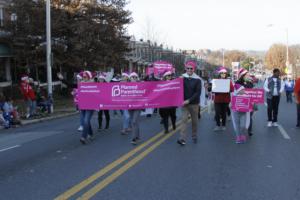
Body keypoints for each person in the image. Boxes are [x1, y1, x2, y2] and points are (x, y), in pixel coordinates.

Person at [177, 60, 201, 146]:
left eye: (191, 68)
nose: (189, 70)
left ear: (194, 69)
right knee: (183, 120)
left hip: (194, 103)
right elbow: (176, 88)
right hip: (184, 104)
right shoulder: (182, 77)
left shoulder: (197, 79)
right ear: (185, 68)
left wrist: (189, 100)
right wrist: (178, 81)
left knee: (194, 121)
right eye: (188, 68)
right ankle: (182, 138)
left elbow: (197, 93)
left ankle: (194, 135)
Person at [231, 68, 251, 144]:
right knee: (237, 122)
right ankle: (239, 136)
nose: (248, 76)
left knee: (245, 122)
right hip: (237, 107)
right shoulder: (237, 83)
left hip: (246, 106)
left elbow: (252, 93)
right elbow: (234, 94)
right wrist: (231, 102)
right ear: (242, 75)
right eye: (246, 75)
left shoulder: (249, 82)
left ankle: (244, 134)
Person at [213, 67, 234, 131]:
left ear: (226, 74)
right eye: (222, 73)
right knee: (217, 112)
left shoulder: (228, 81)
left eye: (224, 73)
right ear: (219, 74)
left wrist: (227, 88)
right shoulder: (216, 81)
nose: (223, 74)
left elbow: (232, 89)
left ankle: (224, 125)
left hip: (225, 100)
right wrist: (210, 87)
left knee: (223, 113)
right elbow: (212, 89)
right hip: (217, 100)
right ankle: (217, 125)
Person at [80, 70, 95, 144]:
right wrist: (62, 79)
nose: (84, 78)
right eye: (83, 76)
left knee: (86, 121)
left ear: (89, 77)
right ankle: (91, 133)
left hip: (90, 106)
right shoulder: (81, 84)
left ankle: (83, 137)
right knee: (86, 121)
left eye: (85, 76)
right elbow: (71, 85)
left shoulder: (94, 85)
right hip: (83, 105)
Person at [128, 72, 143, 145]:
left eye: (135, 77)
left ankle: (134, 138)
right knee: (134, 122)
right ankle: (138, 137)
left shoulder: (140, 85)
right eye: (132, 77)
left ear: (137, 78)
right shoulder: (126, 86)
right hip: (130, 106)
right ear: (130, 78)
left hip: (138, 106)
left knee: (134, 121)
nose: (134, 78)